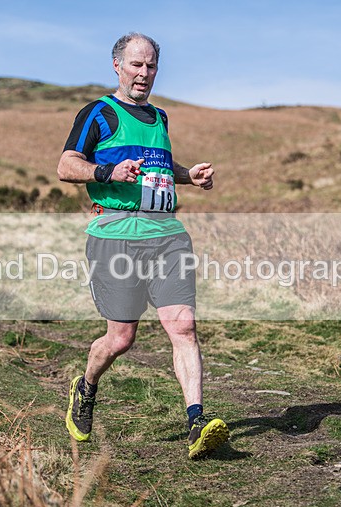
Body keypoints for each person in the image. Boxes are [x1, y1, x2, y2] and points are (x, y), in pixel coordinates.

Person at [57, 32, 229, 459]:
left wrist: (191, 177)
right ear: (117, 65)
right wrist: (107, 173)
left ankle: (196, 422)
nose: (144, 73)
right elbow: (66, 166)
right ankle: (86, 386)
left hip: (166, 236)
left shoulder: (160, 117)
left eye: (151, 65)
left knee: (183, 326)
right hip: (114, 237)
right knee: (120, 339)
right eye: (136, 64)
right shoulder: (99, 112)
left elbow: (161, 165)